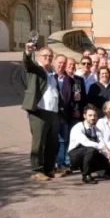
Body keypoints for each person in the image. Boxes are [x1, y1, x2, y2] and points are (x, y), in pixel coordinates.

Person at [22, 44, 62, 181]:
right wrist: (28, 51)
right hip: (39, 111)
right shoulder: (36, 69)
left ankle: (49, 169)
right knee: (38, 143)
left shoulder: (51, 72)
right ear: (39, 56)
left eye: (50, 56)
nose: (48, 58)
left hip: (53, 112)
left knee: (52, 142)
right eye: (45, 56)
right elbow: (27, 62)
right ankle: (37, 171)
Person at [67, 104, 110, 184]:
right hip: (75, 156)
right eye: (90, 115)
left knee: (109, 162)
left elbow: (101, 143)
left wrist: (108, 155)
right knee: (91, 149)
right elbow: (85, 142)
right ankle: (86, 176)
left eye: (94, 115)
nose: (93, 118)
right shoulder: (78, 127)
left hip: (89, 153)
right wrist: (103, 148)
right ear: (84, 116)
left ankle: (102, 172)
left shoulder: (96, 130)